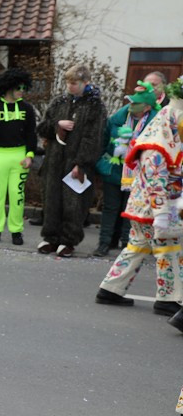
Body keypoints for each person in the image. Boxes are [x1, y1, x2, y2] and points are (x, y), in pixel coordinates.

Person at [97, 86, 183, 317]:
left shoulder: (159, 137)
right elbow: (157, 180)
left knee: (137, 246)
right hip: (157, 208)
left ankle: (110, 288)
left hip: (144, 206)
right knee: (169, 249)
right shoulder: (157, 146)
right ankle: (168, 298)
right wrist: (163, 214)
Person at [37, 65, 107, 258]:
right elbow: (42, 127)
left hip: (76, 161)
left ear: (86, 83)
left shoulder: (95, 106)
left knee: (73, 203)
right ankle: (50, 237)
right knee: (51, 199)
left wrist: (82, 163)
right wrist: (56, 125)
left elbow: (93, 138)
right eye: (68, 82)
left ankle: (69, 240)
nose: (70, 86)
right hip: (54, 159)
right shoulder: (59, 102)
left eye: (74, 83)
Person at [95, 82, 159, 256]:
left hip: (138, 173)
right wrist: (100, 163)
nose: (131, 106)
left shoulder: (156, 123)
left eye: (136, 104)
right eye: (130, 103)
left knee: (130, 209)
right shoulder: (117, 119)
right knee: (110, 207)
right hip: (114, 169)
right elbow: (104, 140)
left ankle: (127, 243)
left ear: (146, 107)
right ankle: (104, 242)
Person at [0, 68, 38, 245]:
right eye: (19, 87)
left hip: (19, 156)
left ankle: (16, 231)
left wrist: (29, 155)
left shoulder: (27, 109)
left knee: (17, 196)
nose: (22, 90)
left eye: (24, 87)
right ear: (9, 87)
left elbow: (31, 134)